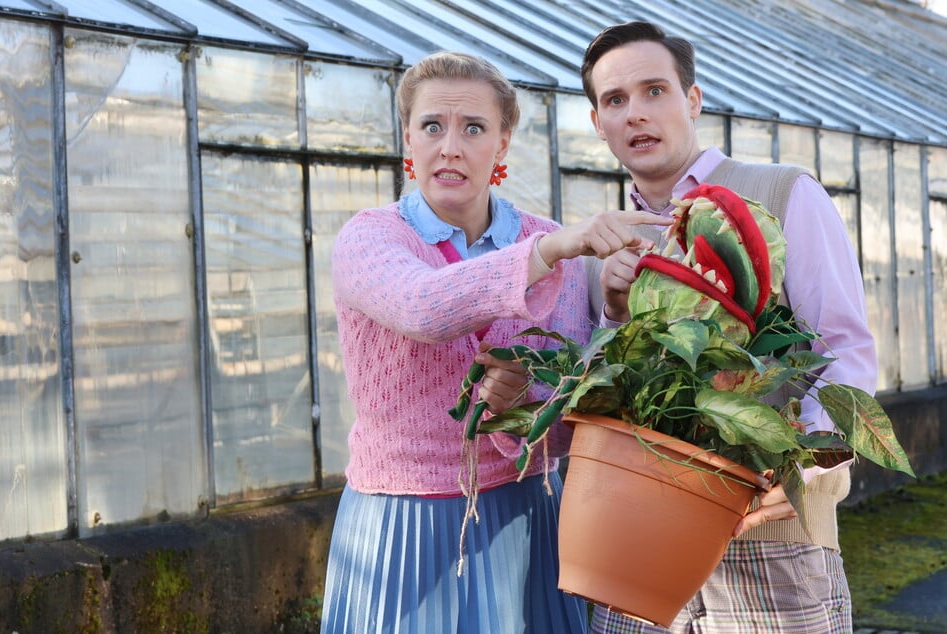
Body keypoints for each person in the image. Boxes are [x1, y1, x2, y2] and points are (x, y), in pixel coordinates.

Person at [319, 51, 668, 634]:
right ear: (408, 139)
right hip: (404, 525)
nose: (449, 146)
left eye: (473, 128)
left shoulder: (545, 236)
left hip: (525, 515)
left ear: (502, 145)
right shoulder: (371, 238)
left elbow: (573, 424)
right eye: (432, 126)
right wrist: (548, 255)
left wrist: (524, 401)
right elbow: (423, 306)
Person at [580, 21, 878, 634]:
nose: (636, 114)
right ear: (597, 122)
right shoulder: (601, 240)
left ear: (692, 100)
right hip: (636, 542)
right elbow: (594, 396)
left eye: (654, 90)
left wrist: (805, 466)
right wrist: (611, 310)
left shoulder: (781, 192)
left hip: (771, 534)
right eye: (615, 100)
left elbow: (845, 350)